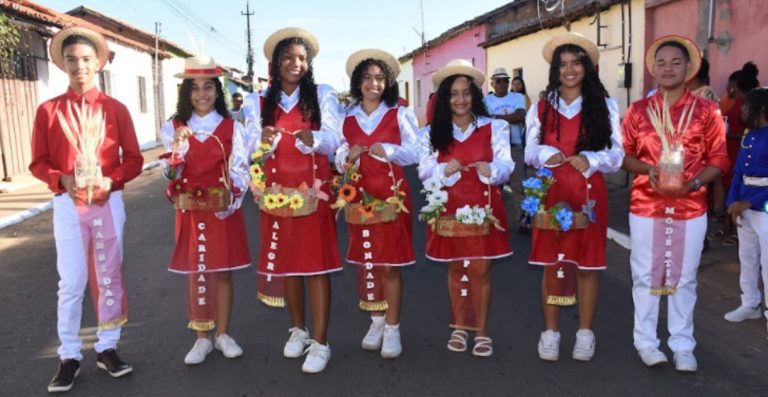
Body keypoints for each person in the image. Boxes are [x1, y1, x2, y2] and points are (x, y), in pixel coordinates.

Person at [29, 26, 143, 392]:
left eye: (86, 59)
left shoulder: (115, 109)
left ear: (98, 63)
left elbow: (135, 159)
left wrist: (113, 179)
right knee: (72, 281)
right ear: (62, 64)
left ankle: (108, 347)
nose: (79, 66)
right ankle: (69, 355)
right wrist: (59, 178)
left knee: (109, 275)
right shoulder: (48, 111)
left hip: (108, 202)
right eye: (71, 60)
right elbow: (37, 162)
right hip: (68, 205)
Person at [621, 35, 729, 372]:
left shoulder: (707, 111)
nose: (668, 68)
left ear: (689, 68)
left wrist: (694, 183)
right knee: (646, 276)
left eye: (676, 62)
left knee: (684, 278)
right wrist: (648, 170)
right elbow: (622, 155)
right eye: (661, 63)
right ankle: (646, 342)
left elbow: (719, 159)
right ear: (653, 69)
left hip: (690, 206)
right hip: (646, 204)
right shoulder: (638, 111)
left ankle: (682, 344)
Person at [241, 27, 342, 374]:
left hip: (313, 193)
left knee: (316, 266)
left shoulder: (323, 94)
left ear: (309, 64)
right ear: (275, 63)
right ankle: (298, 330)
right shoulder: (257, 101)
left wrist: (316, 139)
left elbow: (335, 139)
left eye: (301, 58)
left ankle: (321, 342)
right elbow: (249, 149)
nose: (295, 63)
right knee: (289, 264)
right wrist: (262, 140)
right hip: (276, 195)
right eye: (287, 57)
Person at [525, 32, 623, 363]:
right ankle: (550, 332)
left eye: (576, 63)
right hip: (551, 190)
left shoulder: (606, 106)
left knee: (586, 266)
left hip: (588, 193)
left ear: (587, 67)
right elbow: (529, 150)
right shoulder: (541, 107)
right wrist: (545, 153)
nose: (569, 70)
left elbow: (617, 155)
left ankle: (585, 333)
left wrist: (591, 158)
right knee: (551, 264)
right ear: (554, 70)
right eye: (562, 64)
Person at [418, 59, 514, 357]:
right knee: (456, 266)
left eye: (466, 93)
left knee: (481, 269)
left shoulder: (495, 127)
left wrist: (492, 169)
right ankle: (460, 325)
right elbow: (424, 171)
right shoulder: (431, 133)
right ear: (444, 98)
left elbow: (507, 165)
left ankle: (481, 330)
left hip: (484, 207)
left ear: (475, 96)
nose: (460, 99)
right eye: (453, 94)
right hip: (448, 207)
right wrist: (443, 170)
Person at [160, 55, 250, 366]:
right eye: (194, 88)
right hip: (191, 210)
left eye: (208, 87)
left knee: (222, 272)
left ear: (217, 90)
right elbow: (170, 175)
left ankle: (223, 334)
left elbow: (240, 169)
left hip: (222, 208)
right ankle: (201, 337)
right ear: (186, 93)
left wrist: (232, 200)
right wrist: (177, 147)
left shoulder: (231, 127)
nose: (202, 94)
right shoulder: (173, 127)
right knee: (197, 271)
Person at [337, 49, 420, 359]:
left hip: (392, 197)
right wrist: (347, 157)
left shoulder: (400, 113)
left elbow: (416, 151)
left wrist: (390, 150)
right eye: (367, 77)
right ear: (357, 82)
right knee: (367, 261)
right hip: (359, 197)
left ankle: (393, 327)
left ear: (388, 83)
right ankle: (376, 321)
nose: (373, 83)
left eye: (379, 78)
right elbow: (339, 153)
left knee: (390, 264)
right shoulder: (346, 117)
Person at [723, 87, 768, 328]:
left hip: (763, 205)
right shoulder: (749, 136)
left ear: (762, 109)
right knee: (747, 258)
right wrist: (732, 202)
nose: (744, 109)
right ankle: (751, 304)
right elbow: (739, 172)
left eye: (748, 106)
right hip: (744, 205)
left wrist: (749, 202)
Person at [716, 62, 760, 244]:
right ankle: (728, 227)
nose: (728, 88)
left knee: (734, 186)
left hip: (738, 148)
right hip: (732, 149)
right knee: (731, 186)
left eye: (730, 85)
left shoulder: (748, 104)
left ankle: (731, 229)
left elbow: (750, 131)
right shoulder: (738, 102)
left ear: (735, 85)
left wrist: (727, 135)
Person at [484, 68, 527, 231]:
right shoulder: (486, 101)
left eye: (505, 80)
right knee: (494, 187)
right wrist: (509, 118)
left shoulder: (517, 97)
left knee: (519, 186)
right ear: (492, 84)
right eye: (499, 81)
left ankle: (523, 221)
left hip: (514, 147)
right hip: (494, 149)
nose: (503, 83)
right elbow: (484, 121)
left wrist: (496, 117)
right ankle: (494, 219)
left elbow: (520, 116)